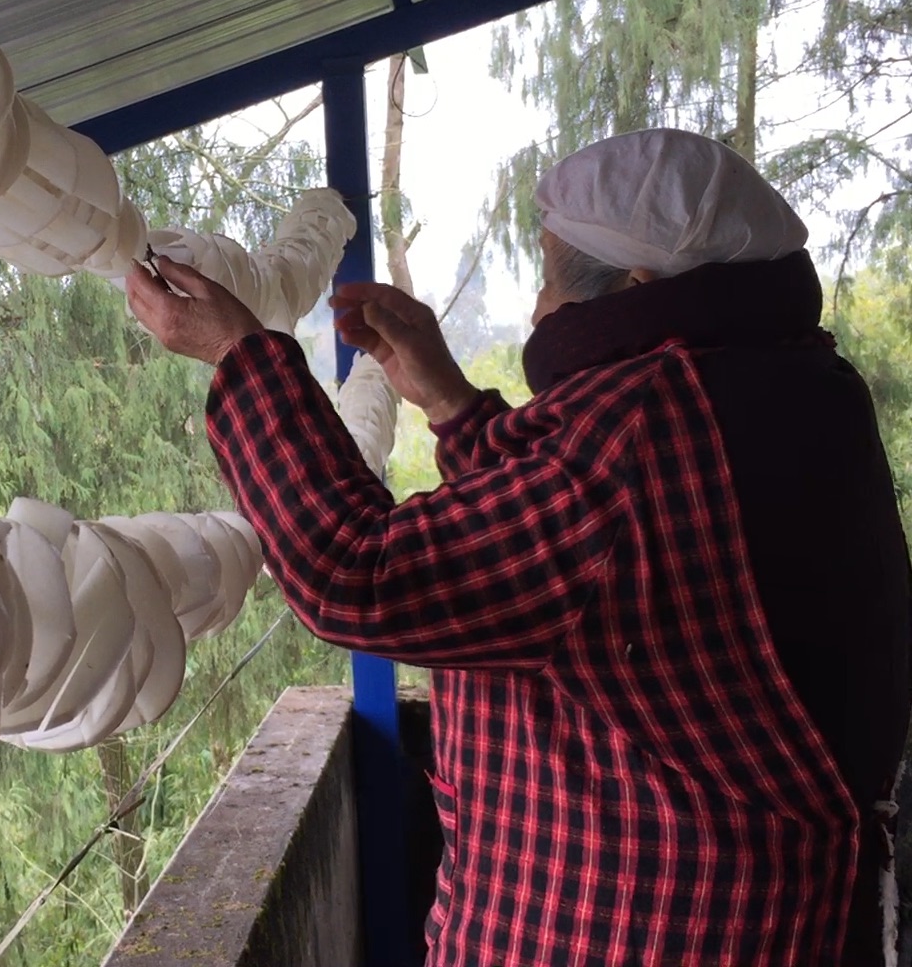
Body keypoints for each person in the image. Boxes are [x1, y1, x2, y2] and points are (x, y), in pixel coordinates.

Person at [124, 127, 912, 966]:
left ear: (639, 285)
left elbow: (357, 572)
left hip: (660, 930)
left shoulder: (649, 423)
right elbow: (585, 543)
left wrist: (240, 355)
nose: (537, 309)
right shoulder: (790, 382)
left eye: (544, 277)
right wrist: (453, 403)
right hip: (770, 914)